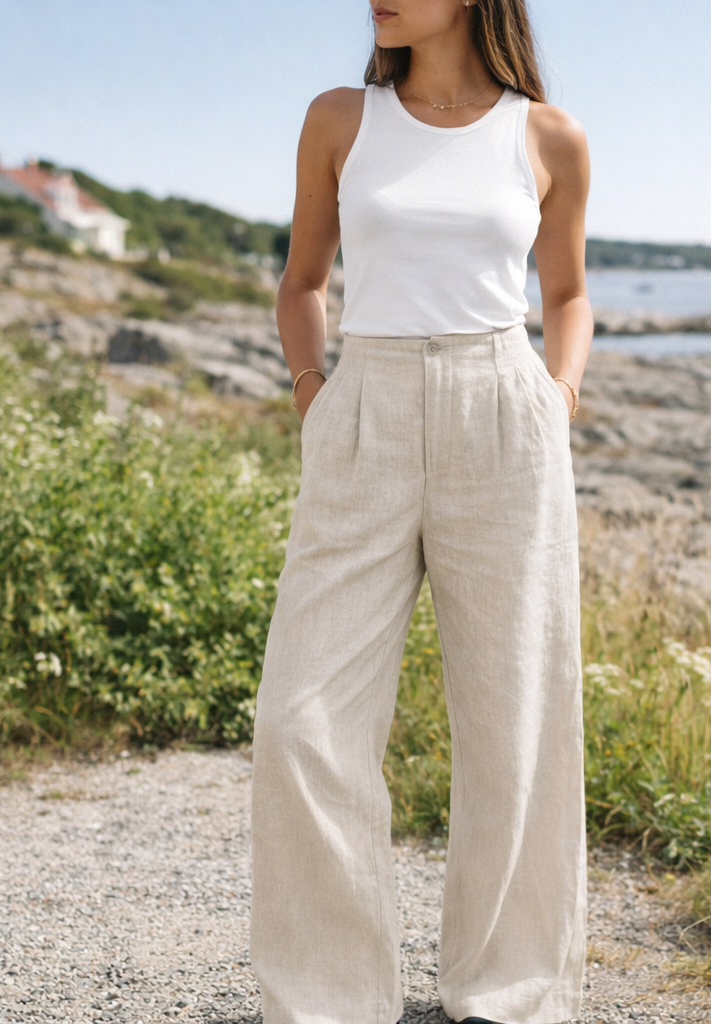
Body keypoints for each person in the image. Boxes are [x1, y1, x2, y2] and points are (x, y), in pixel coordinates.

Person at [251, 1, 592, 1021]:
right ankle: (327, 999)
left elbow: (567, 291)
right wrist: (319, 393)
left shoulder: (546, 134)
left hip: (503, 409)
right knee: (299, 717)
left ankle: (508, 993)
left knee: (515, 720)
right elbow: (303, 280)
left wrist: (555, 397)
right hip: (368, 406)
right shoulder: (339, 120)